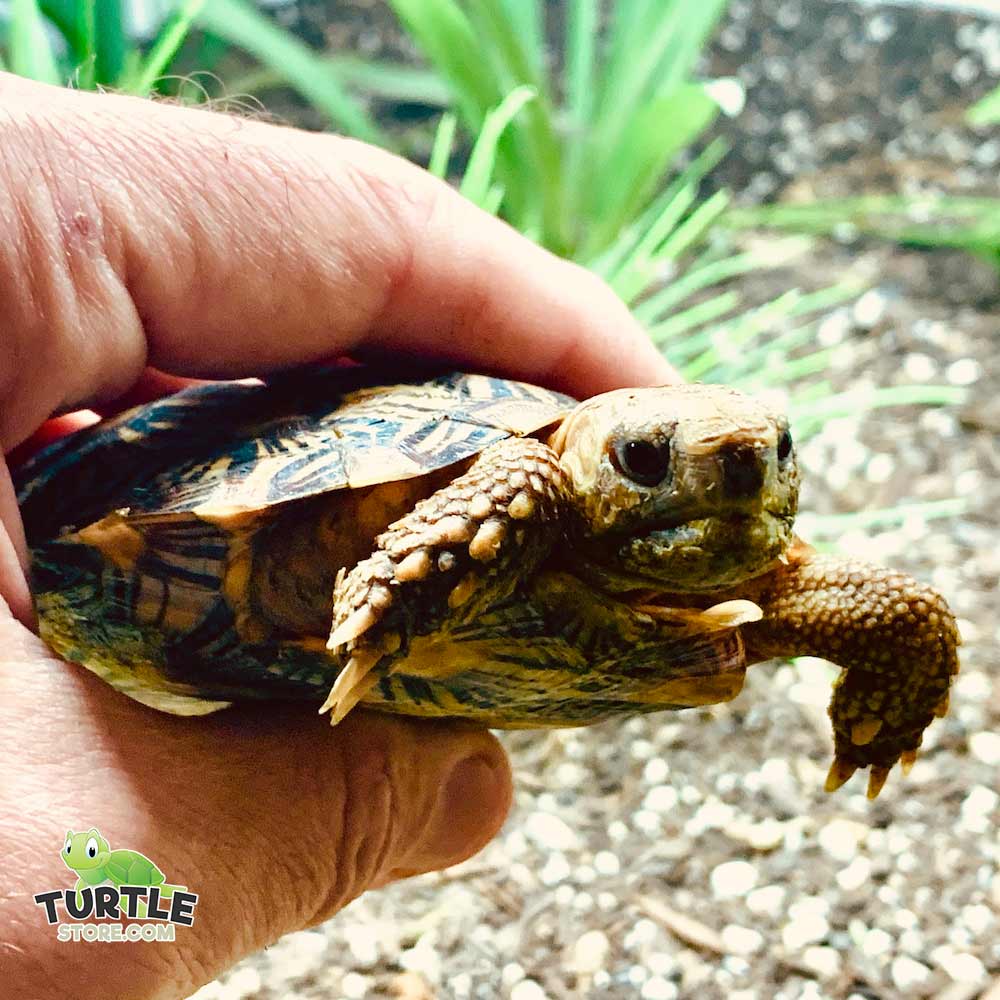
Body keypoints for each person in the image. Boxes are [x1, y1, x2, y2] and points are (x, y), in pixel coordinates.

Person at [0, 72, 676, 1000]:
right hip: (188, 527)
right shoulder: (526, 480)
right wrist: (406, 581)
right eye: (648, 456)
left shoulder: (726, 576)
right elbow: (520, 478)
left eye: (770, 455)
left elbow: (853, 602)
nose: (735, 475)